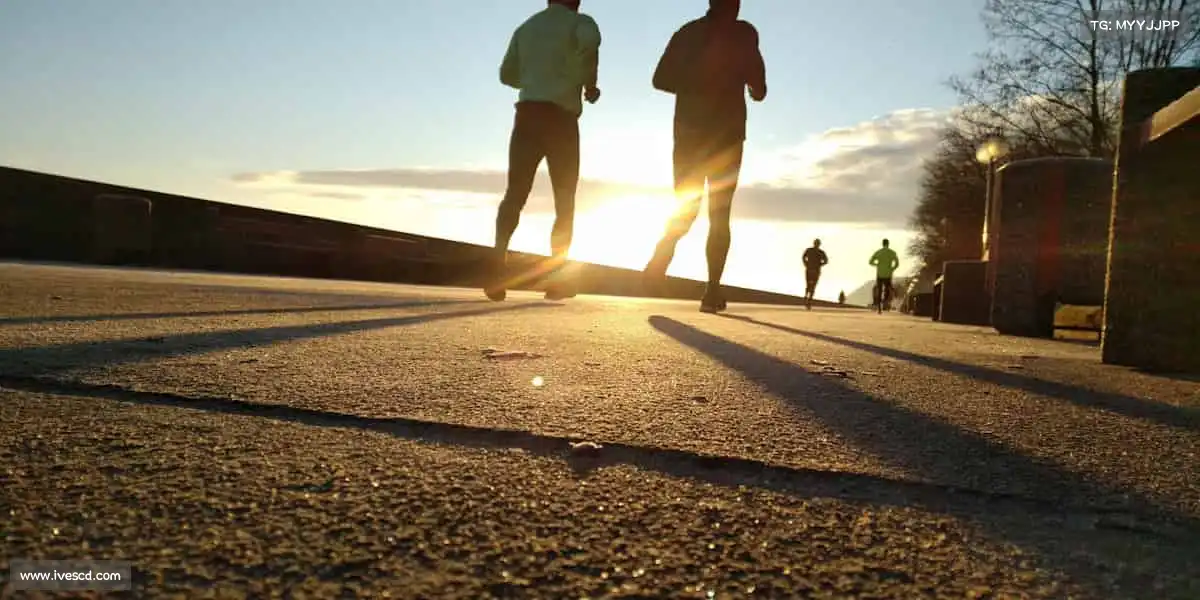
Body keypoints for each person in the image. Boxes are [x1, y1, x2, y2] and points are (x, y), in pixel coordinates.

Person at [642, 0, 767, 313]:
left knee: (687, 206)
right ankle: (712, 291)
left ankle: (664, 251)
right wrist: (745, 85)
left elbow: (660, 79)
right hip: (727, 137)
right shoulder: (744, 34)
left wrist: (694, 83)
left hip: (689, 136)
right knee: (719, 214)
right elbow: (760, 88)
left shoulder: (687, 33)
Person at [486, 0, 602, 302]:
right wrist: (588, 83)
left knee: (515, 194)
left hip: (527, 114)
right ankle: (557, 279)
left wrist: (536, 77)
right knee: (564, 201)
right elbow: (590, 44)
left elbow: (506, 75)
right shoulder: (581, 23)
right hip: (561, 120)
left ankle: (497, 267)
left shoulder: (527, 27)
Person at [869, 239, 900, 312]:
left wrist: (877, 265)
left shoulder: (878, 252)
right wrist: (892, 268)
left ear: (882, 244)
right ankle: (885, 301)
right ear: (888, 244)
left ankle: (879, 306)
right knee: (888, 288)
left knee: (879, 289)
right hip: (888, 274)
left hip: (880, 273)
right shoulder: (892, 252)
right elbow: (897, 263)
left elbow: (870, 262)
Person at [802, 238, 828, 310]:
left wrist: (806, 264)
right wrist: (820, 264)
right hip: (815, 270)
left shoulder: (809, 250)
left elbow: (803, 257)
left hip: (810, 269)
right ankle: (808, 299)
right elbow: (826, 261)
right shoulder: (820, 252)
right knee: (812, 286)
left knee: (809, 284)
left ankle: (807, 297)